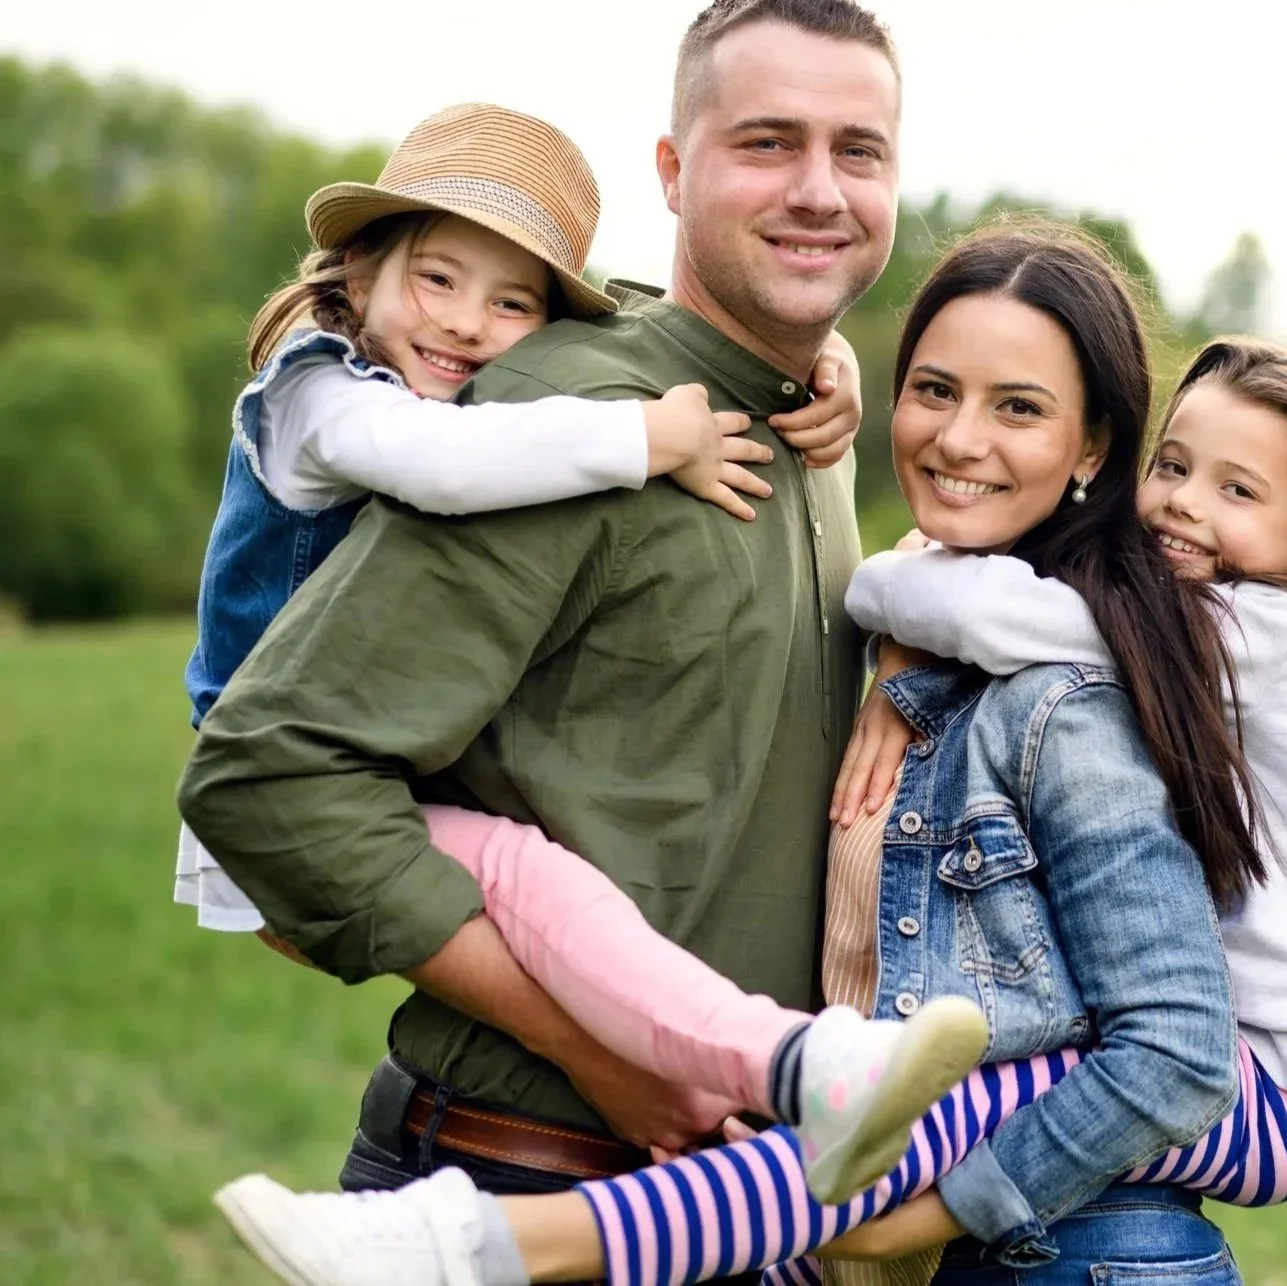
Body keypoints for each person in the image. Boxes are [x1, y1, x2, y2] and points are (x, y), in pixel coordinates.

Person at [210, 223, 1287, 1286]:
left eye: (1019, 408)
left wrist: (883, 1224)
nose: (961, 438)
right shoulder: (917, 623)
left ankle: (473, 1243)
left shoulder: (1065, 698)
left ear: (1095, 447)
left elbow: (1174, 1047)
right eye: (934, 389)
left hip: (1063, 1245)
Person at [174, 92, 988, 1209]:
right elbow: (274, 766)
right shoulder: (355, 400)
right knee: (533, 879)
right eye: (764, 138)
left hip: (715, 1200)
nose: (466, 325)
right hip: (516, 1161)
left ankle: (793, 1064)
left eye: (511, 301)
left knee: (535, 880)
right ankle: (782, 1057)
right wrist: (648, 436)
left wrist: (827, 360)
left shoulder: (794, 423)